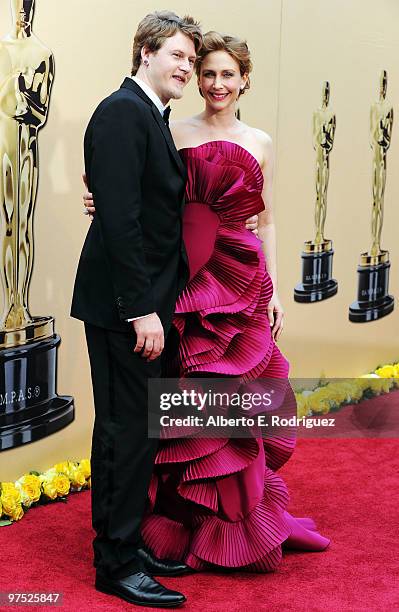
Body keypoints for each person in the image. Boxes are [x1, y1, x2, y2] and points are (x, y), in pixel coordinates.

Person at [83, 31, 330, 575]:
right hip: (182, 282)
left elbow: (265, 220)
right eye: (206, 72)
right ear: (192, 76)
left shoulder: (260, 140)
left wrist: (275, 288)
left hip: (239, 283)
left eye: (226, 74)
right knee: (173, 404)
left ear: (245, 80)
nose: (216, 83)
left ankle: (233, 521)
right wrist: (102, 193)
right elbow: (147, 193)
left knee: (231, 399)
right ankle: (172, 519)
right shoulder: (170, 127)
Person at [71, 11, 201, 609]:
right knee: (129, 433)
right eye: (177, 55)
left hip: (132, 301)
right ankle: (117, 563)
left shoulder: (146, 114)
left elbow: (133, 204)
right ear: (145, 52)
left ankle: (119, 544)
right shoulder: (125, 112)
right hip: (128, 307)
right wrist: (141, 310)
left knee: (123, 430)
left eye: (192, 61)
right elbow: (120, 223)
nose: (187, 68)